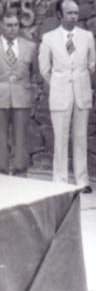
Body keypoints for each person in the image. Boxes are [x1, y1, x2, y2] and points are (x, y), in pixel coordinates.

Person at [38, 0, 96, 193]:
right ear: (59, 15)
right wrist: (59, 84)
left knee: (81, 137)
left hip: (81, 93)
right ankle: (60, 180)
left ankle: (82, 180)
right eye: (70, 13)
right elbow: (45, 69)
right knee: (60, 138)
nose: (74, 17)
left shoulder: (87, 37)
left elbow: (91, 65)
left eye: (76, 13)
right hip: (60, 94)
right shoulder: (49, 38)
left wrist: (78, 80)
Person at [0, 11, 37, 177]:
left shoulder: (30, 46)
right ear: (2, 25)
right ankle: (1, 172)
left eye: (15, 25)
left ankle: (20, 172)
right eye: (8, 25)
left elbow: (34, 71)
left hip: (22, 98)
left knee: (21, 136)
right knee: (0, 137)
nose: (12, 29)